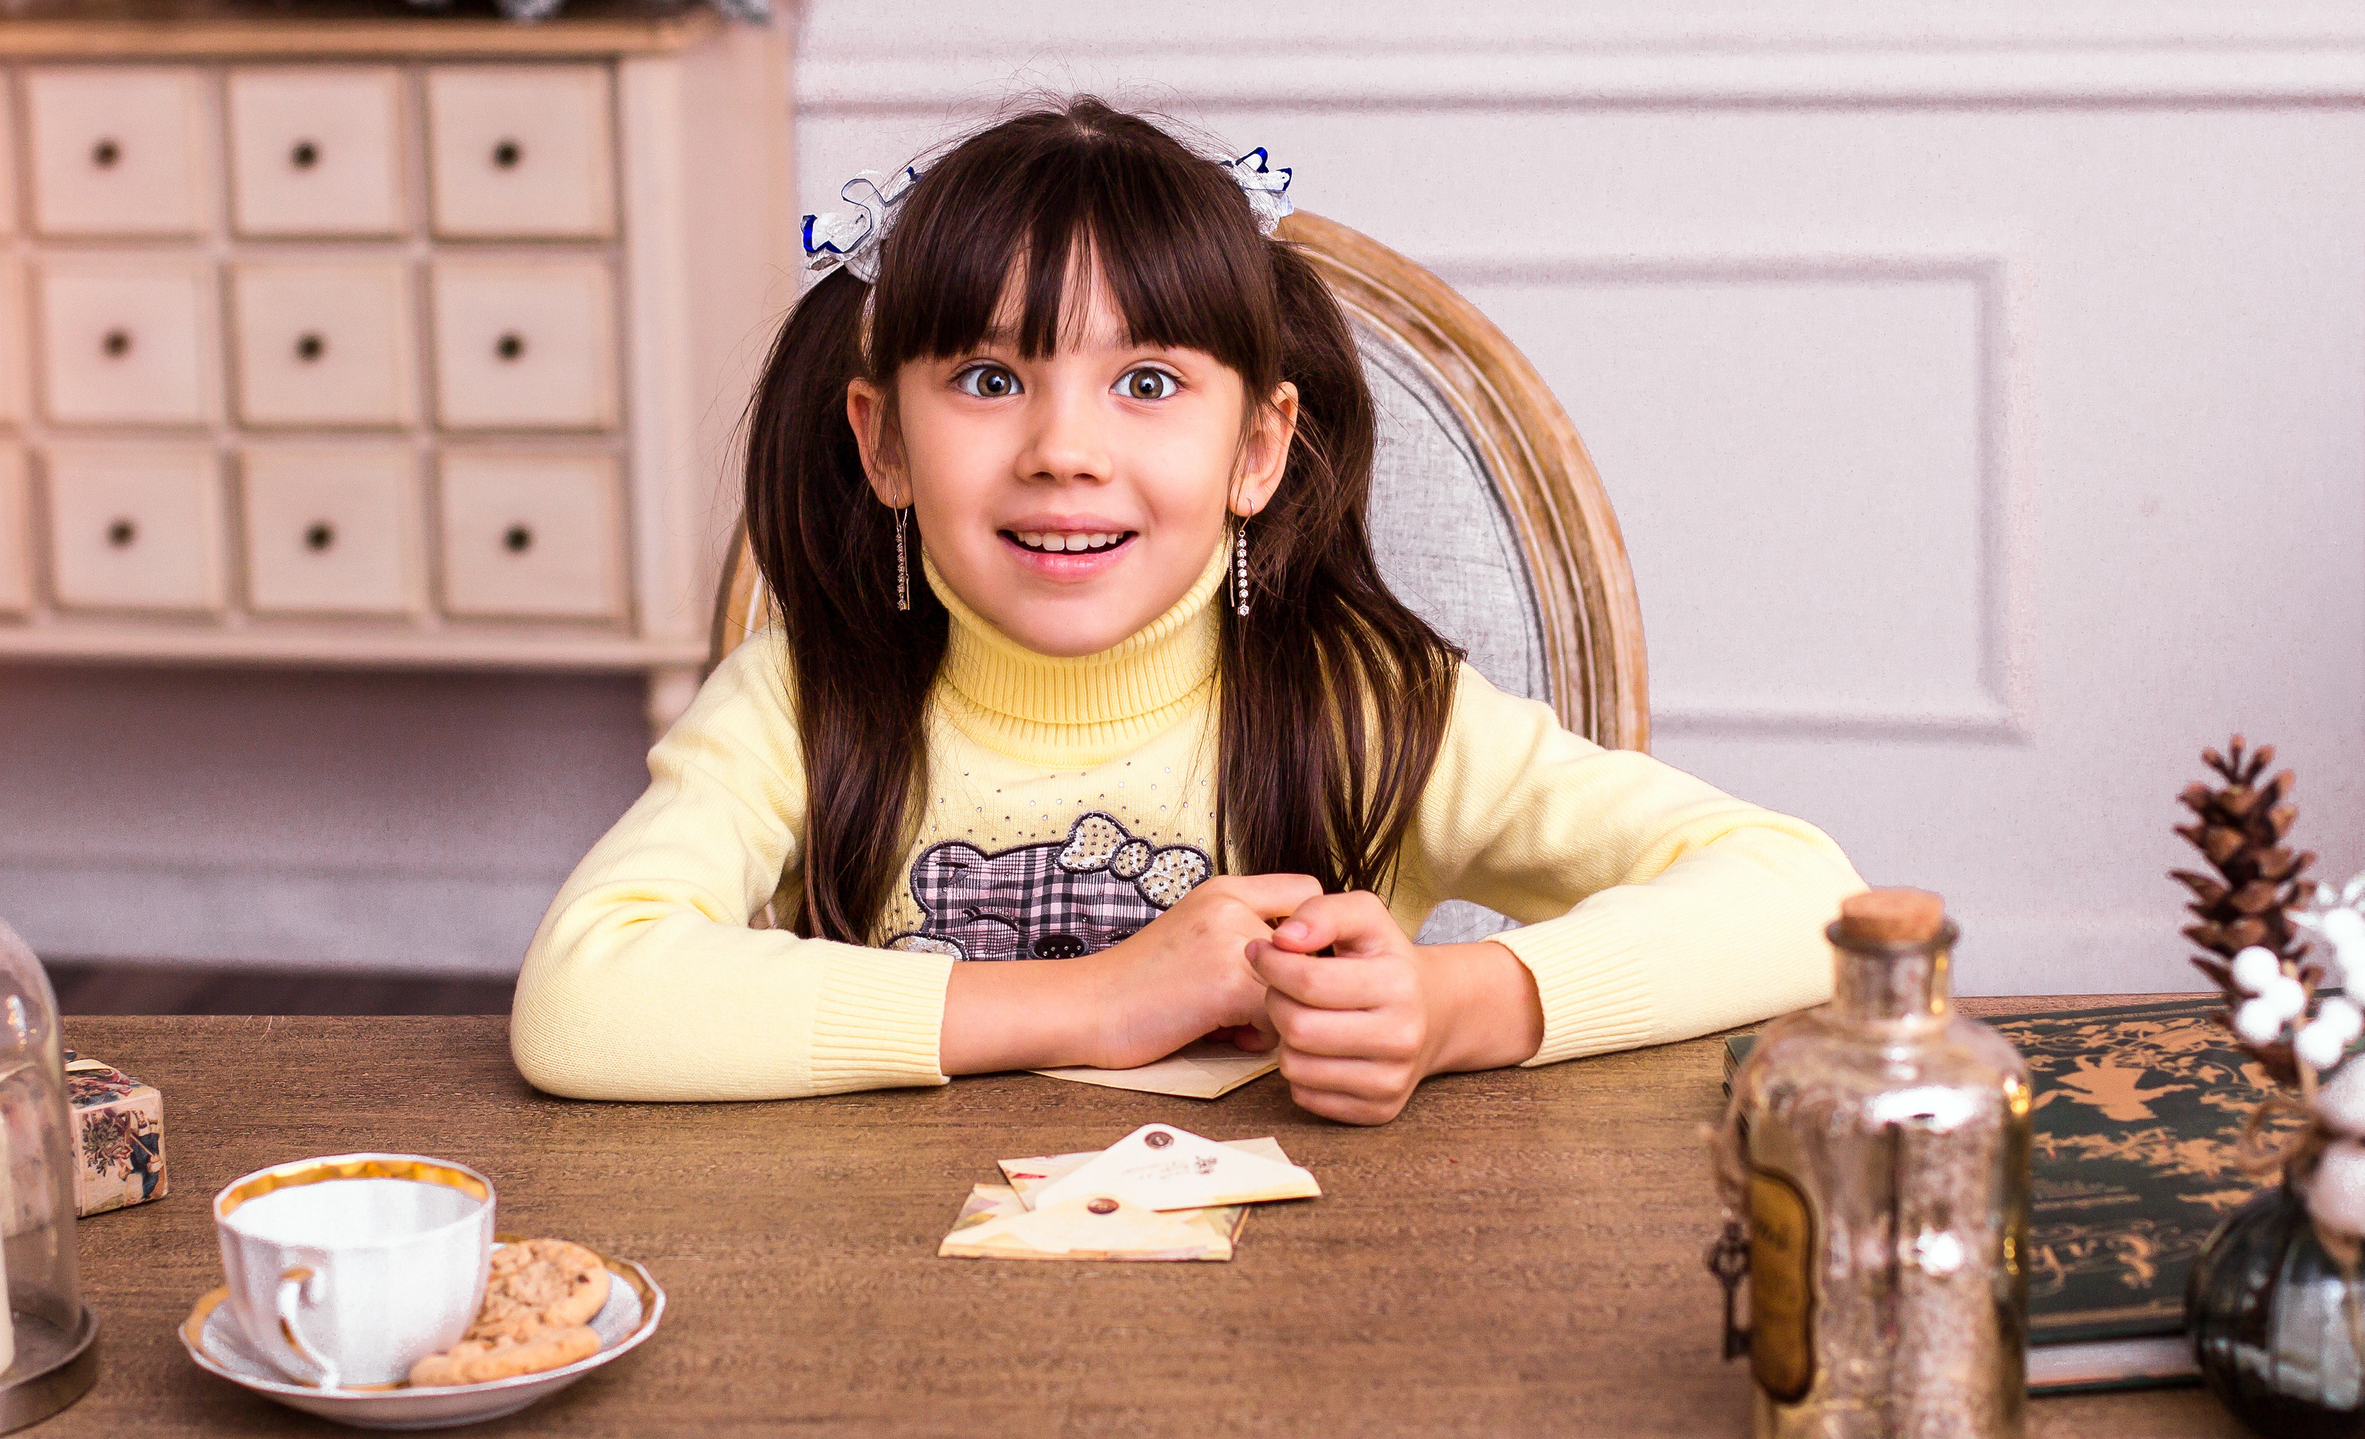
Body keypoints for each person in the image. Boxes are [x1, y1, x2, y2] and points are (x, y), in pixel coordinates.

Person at [510, 98, 1864, 1123]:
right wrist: (1097, 1001)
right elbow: (583, 1001)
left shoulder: (1365, 706)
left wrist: (1459, 1005)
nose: (1065, 450)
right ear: (883, 445)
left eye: (1146, 384)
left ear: (1259, 450)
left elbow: (1807, 896)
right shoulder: (804, 699)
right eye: (989, 382)